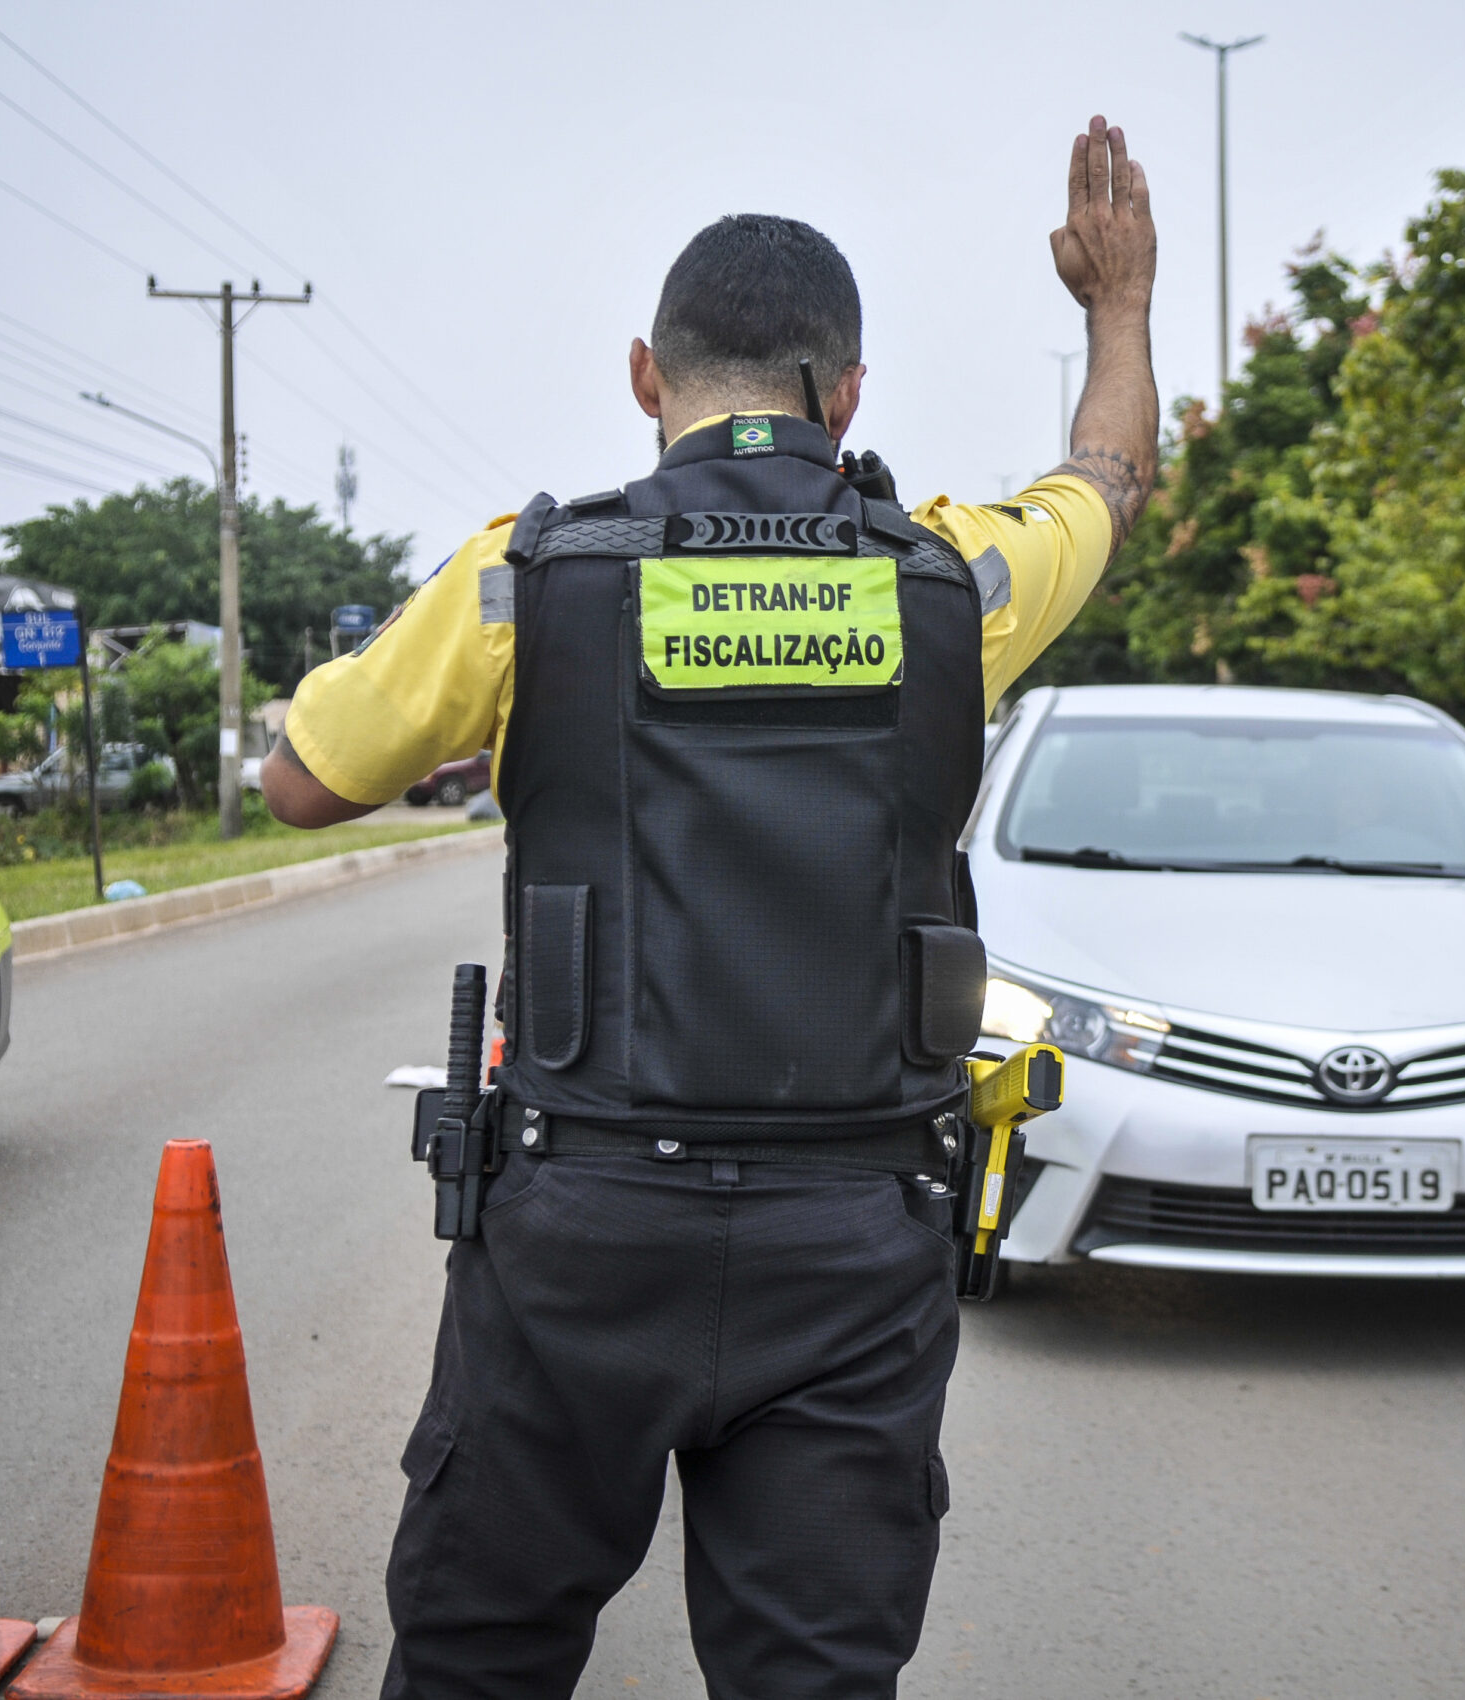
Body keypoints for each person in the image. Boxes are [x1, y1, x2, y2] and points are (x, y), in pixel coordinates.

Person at [264, 115, 1157, 1699]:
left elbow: (301, 782)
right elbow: (1106, 480)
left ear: (643, 374)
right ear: (852, 392)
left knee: (479, 1658)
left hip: (579, 1230)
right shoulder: (958, 583)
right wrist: (1121, 310)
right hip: (855, 1237)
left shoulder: (521, 584)